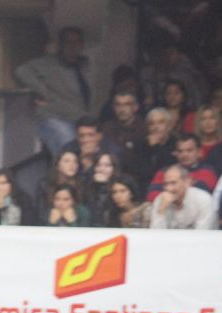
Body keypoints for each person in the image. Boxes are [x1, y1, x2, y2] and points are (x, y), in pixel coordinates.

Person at [14, 26, 92, 154]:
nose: (73, 45)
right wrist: (42, 92)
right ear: (61, 45)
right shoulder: (49, 63)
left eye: (77, 42)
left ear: (82, 45)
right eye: (68, 42)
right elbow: (21, 71)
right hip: (55, 116)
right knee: (69, 151)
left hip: (78, 118)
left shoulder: (85, 65)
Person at [145, 134, 218, 201]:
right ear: (175, 153)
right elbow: (152, 195)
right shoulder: (164, 172)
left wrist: (169, 192)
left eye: (189, 150)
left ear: (199, 152)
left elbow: (200, 193)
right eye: (180, 151)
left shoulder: (208, 171)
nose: (184, 155)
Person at [149, 165, 215, 229]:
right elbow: (155, 234)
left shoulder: (203, 200)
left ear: (186, 182)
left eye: (173, 183)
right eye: (165, 184)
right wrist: (161, 210)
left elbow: (203, 233)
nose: (169, 188)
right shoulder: (160, 200)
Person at [131, 107, 177, 193]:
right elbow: (140, 173)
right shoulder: (140, 145)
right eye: (151, 124)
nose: (156, 127)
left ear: (169, 126)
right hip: (145, 190)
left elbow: (168, 167)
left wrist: (156, 147)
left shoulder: (177, 143)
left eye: (161, 122)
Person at [101, 90, 146, 174]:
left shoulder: (144, 128)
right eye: (118, 105)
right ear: (113, 107)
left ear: (135, 107)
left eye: (127, 104)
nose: (122, 109)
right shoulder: (106, 128)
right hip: (112, 173)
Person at [36, 149, 81, 217]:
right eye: (67, 161)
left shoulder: (81, 185)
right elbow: (40, 212)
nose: (72, 165)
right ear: (57, 166)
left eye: (75, 162)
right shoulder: (44, 185)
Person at [81, 153, 121, 227]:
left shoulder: (121, 186)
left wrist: (104, 186)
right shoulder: (87, 186)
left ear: (114, 168)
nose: (102, 169)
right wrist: (99, 186)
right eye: (98, 165)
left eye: (107, 165)